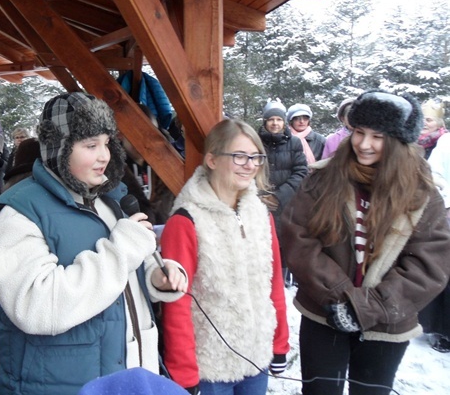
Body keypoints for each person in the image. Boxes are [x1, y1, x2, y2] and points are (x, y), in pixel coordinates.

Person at [0, 92, 188, 395]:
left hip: (128, 377)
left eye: (106, 142)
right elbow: (37, 306)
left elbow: (121, 278)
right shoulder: (16, 215)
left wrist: (156, 277)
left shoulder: (109, 200)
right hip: (64, 385)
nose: (104, 155)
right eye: (90, 145)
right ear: (59, 148)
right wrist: (123, 249)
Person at [280, 90, 450, 395]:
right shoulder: (322, 178)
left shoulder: (422, 193)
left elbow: (430, 263)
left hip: (387, 324)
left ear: (400, 142)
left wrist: (368, 307)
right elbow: (298, 237)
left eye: (378, 136)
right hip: (324, 313)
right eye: (359, 132)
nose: (364, 144)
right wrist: (340, 297)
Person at [160, 119, 289, 395]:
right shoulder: (186, 220)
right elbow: (177, 303)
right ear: (212, 160)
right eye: (240, 156)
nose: (250, 164)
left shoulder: (260, 215)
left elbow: (273, 282)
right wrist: (183, 372)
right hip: (209, 368)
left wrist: (279, 343)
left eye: (256, 157)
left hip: (256, 360)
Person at [257, 98, 307, 286]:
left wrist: (280, 195)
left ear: (284, 122)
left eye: (279, 120)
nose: (275, 123)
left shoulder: (294, 142)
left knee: (284, 241)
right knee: (263, 240)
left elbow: (301, 171)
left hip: (286, 202)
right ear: (265, 122)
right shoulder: (256, 142)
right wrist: (261, 195)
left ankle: (282, 279)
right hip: (261, 201)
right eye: (271, 120)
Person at [417, 99, 450, 353]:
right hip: (429, 208)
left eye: (429, 120)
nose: (425, 125)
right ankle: (433, 323)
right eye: (423, 119)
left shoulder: (444, 141)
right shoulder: (430, 144)